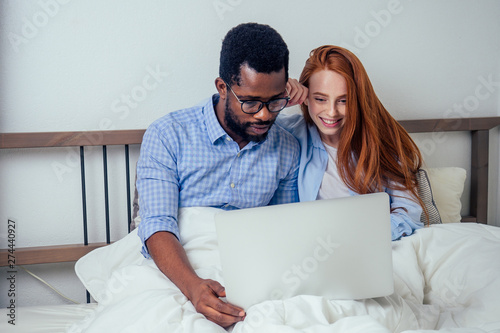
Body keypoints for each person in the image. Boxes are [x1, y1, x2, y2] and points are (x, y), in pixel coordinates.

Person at [136, 23, 306, 328]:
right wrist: (194, 287)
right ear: (222, 87)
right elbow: (157, 225)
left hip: (250, 272)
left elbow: (283, 230)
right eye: (251, 102)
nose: (264, 115)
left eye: (276, 101)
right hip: (178, 271)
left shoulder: (287, 148)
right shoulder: (168, 134)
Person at [277, 45, 426, 241]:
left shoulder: (383, 141)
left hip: (368, 245)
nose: (331, 112)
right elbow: (245, 125)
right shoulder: (287, 134)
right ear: (304, 97)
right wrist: (276, 97)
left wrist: (357, 237)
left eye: (344, 101)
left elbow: (409, 215)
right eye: (320, 99)